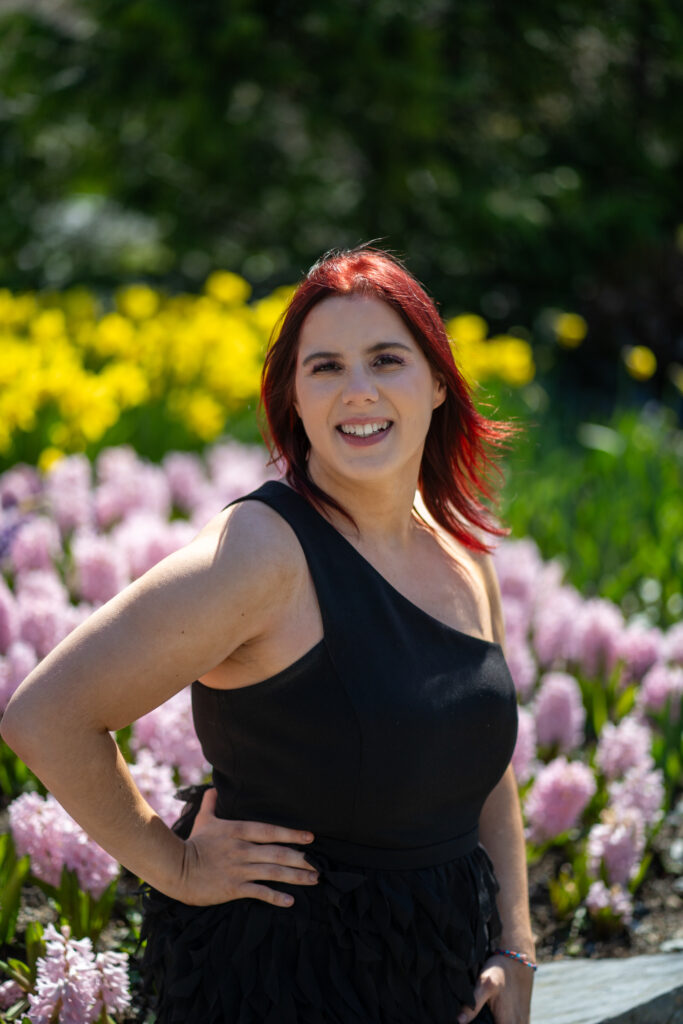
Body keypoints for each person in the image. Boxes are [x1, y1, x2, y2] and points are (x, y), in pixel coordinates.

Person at [1, 245, 536, 1024]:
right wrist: (177, 865)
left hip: (447, 971)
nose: (358, 391)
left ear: (435, 384)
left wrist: (515, 943)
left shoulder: (456, 550)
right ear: (292, 395)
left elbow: (484, 761)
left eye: (386, 359)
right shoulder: (260, 553)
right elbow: (44, 715)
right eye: (324, 367)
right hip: (289, 980)